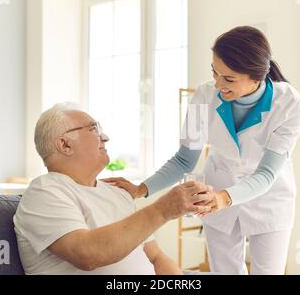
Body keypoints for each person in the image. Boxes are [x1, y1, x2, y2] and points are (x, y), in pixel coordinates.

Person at [104, 26, 300, 275]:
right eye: (215, 73)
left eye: (229, 79)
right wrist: (141, 190)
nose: (218, 84)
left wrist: (223, 197)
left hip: (269, 198)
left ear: (257, 78)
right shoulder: (204, 96)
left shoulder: (290, 104)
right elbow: (183, 160)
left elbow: (265, 175)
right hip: (215, 192)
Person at [13, 103, 212, 275]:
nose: (105, 137)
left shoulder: (117, 194)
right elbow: (87, 254)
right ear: (64, 144)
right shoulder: (45, 191)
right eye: (93, 129)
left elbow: (157, 258)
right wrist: (163, 209)